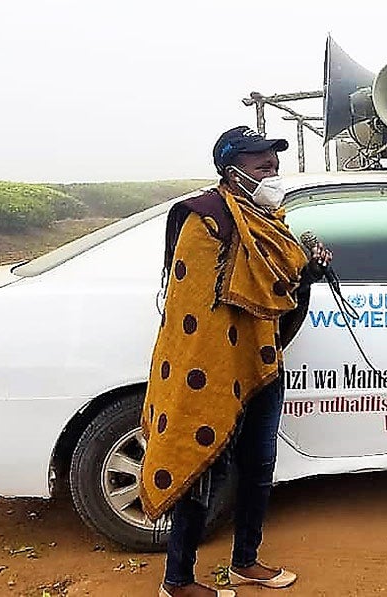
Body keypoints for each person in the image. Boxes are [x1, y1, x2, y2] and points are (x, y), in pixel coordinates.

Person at [141, 126, 332, 597]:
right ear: (232, 169)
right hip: (214, 369)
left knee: (259, 465)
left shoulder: (270, 221)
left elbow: (276, 301)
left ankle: (245, 562)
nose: (270, 164)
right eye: (257, 158)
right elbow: (194, 312)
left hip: (261, 362)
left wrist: (305, 272)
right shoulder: (205, 220)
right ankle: (177, 580)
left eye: (272, 155)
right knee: (206, 466)